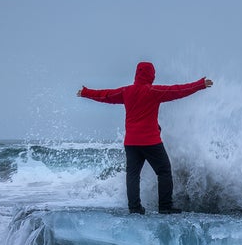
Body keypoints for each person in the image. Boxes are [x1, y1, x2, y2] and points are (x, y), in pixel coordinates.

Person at [77, 62, 213, 214]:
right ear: (151, 75)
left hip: (131, 143)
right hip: (150, 142)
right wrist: (200, 84)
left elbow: (106, 95)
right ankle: (165, 206)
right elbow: (178, 90)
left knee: (133, 175)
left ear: (137, 74)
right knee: (164, 171)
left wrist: (86, 92)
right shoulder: (153, 91)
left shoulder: (125, 91)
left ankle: (134, 208)